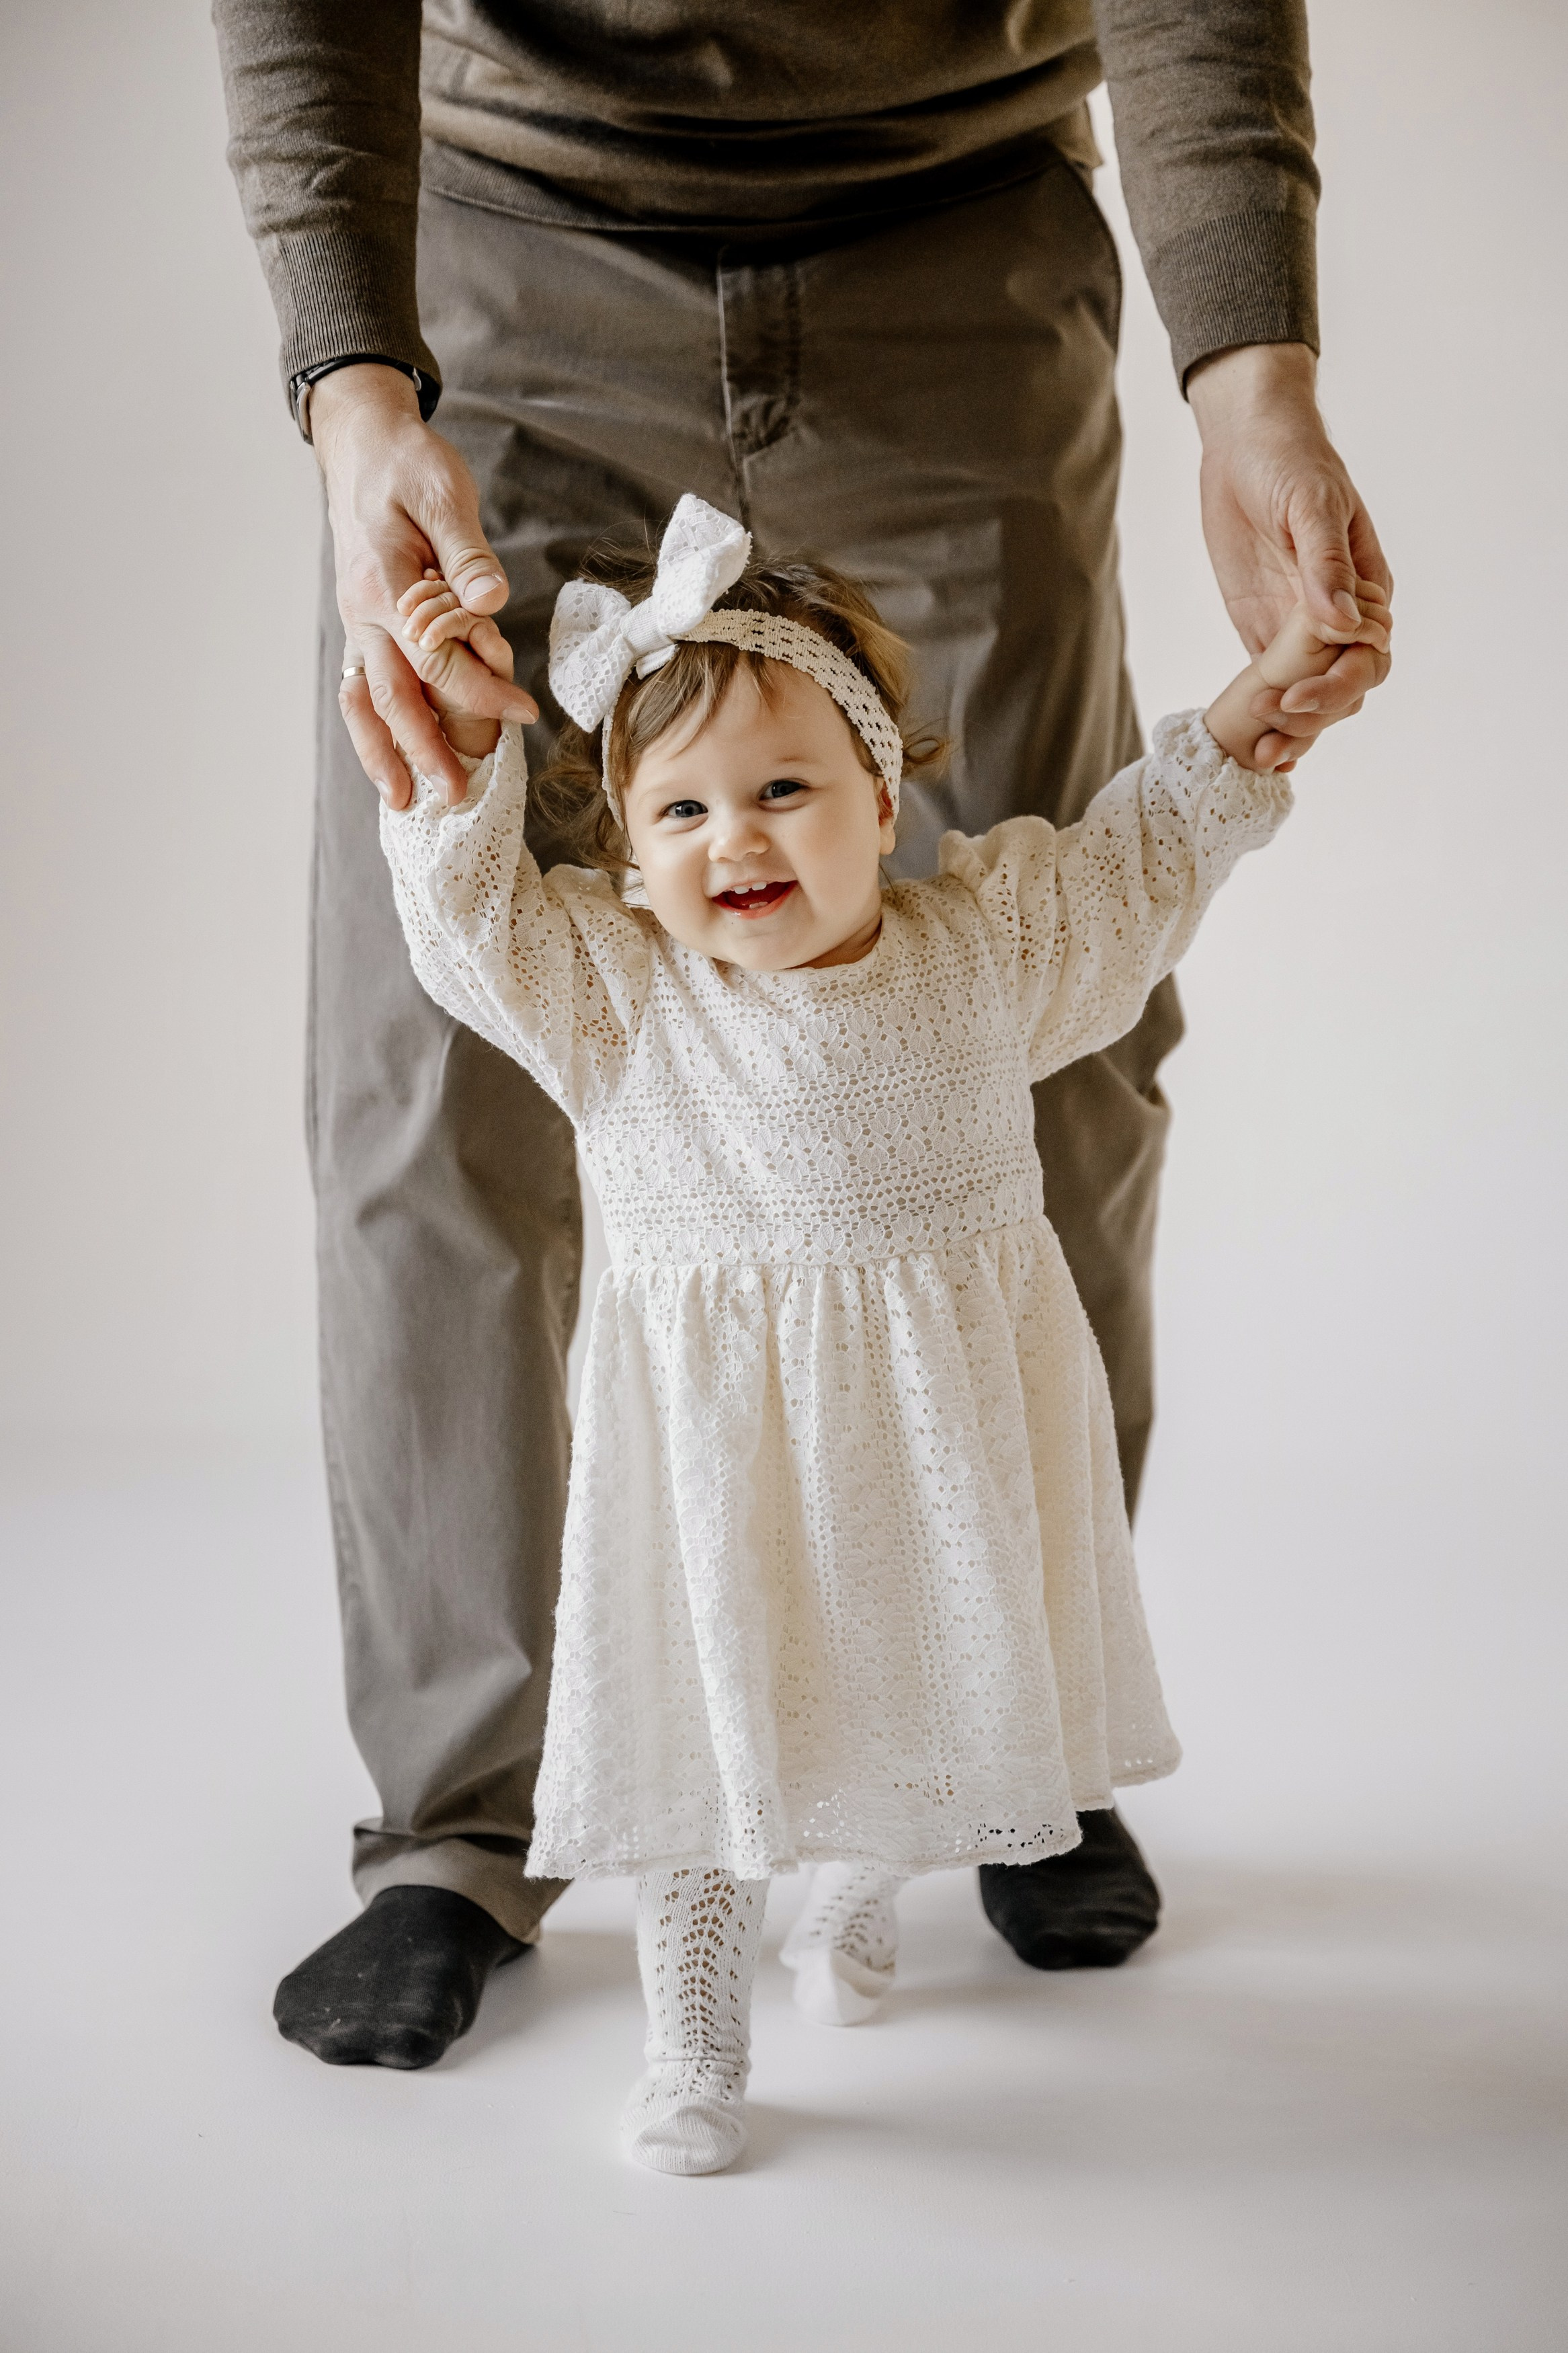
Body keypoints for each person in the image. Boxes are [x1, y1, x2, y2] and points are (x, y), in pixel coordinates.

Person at [212, 0, 1391, 2069]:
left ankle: (1004, 1726)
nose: (741, 843)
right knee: (428, 1082)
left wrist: (1249, 366)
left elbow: (1105, 888)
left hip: (957, 232)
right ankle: (463, 1824)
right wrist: (350, 386)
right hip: (507, 223)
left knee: (1061, 1045)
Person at [374, 493, 1389, 2172]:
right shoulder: (616, 990)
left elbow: (1144, 853)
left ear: (884, 794)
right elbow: (466, 922)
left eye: (785, 789)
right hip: (716, 1452)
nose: (736, 838)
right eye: (680, 808)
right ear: (627, 846)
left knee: (927, 1678)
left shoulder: (983, 947)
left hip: (932, 1430)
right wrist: (460, 757)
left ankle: (861, 1879)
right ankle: (695, 2032)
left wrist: (1254, 710)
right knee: (713, 1728)